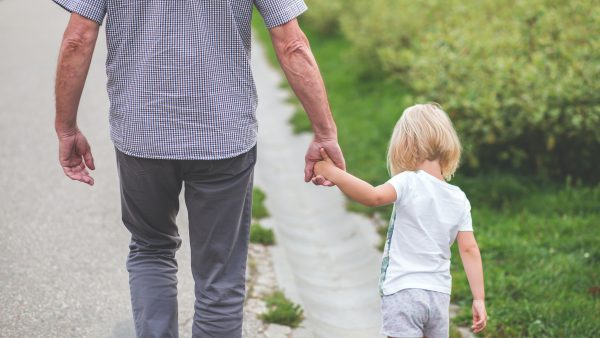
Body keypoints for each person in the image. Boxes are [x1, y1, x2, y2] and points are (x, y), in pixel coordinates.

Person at [52, 0, 345, 337]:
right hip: (223, 135)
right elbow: (291, 43)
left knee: (151, 248)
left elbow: (78, 38)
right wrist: (324, 132)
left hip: (142, 132)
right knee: (220, 273)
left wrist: (66, 127)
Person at [313, 103, 487, 338]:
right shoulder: (458, 197)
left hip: (403, 291)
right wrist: (478, 298)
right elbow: (469, 249)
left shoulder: (408, 181)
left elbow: (373, 197)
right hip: (438, 296)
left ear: (406, 145)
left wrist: (334, 173)